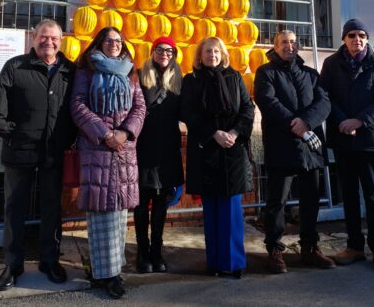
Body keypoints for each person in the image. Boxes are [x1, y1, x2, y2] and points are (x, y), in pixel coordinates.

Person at [0, 19, 76, 291]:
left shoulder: (69, 70)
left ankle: (49, 261)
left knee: (51, 208)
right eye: (43, 37)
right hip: (20, 152)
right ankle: (13, 265)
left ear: (61, 41)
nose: (48, 42)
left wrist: (68, 139)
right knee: (15, 209)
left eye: (54, 38)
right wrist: (14, 136)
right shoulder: (15, 67)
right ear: (33, 37)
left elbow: (76, 109)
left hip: (53, 153)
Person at [70, 26, 146, 299]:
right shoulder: (86, 71)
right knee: (99, 213)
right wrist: (104, 134)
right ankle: (103, 274)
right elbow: (78, 106)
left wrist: (124, 133)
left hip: (124, 149)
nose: (114, 44)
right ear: (99, 43)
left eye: (118, 41)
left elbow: (140, 107)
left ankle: (114, 271)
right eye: (108, 40)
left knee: (118, 214)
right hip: (97, 148)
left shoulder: (131, 72)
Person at [319, 19, 374, 273]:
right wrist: (344, 121)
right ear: (344, 38)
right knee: (349, 195)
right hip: (343, 138)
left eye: (362, 34)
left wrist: (360, 120)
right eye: (351, 35)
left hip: (370, 140)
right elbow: (324, 96)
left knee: (373, 196)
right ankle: (354, 246)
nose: (357, 39)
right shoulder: (331, 64)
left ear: (366, 38)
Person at [254, 30, 335, 273]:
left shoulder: (311, 74)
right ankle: (275, 250)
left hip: (310, 145)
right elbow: (268, 102)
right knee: (277, 202)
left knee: (311, 200)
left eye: (292, 42)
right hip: (282, 145)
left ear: (297, 46)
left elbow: (324, 102)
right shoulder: (266, 73)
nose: (289, 46)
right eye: (283, 43)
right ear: (275, 47)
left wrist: (307, 123)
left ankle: (310, 247)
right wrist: (296, 125)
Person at [181, 37, 254, 278]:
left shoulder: (235, 78)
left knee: (231, 212)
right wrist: (214, 133)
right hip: (205, 150)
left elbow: (247, 108)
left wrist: (233, 132)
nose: (211, 55)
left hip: (232, 151)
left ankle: (234, 263)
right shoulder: (190, 81)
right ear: (199, 56)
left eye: (216, 51)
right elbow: (188, 114)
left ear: (222, 54)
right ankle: (214, 262)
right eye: (207, 51)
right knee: (211, 212)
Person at [134, 36, 184, 274]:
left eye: (170, 51)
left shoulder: (179, 80)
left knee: (162, 203)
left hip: (168, 149)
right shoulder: (140, 76)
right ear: (153, 51)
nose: (165, 54)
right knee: (142, 203)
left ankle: (157, 250)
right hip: (144, 147)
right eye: (160, 49)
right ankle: (142, 252)